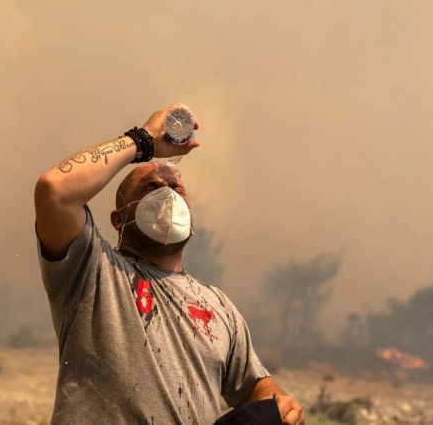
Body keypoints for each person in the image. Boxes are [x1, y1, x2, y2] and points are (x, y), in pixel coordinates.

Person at [33, 103, 305, 424]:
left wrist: (277, 403)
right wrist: (144, 140)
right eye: (150, 187)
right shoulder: (93, 272)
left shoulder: (219, 306)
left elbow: (253, 385)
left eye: (177, 188)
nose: (167, 191)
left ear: (190, 219)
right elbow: (55, 190)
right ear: (118, 220)